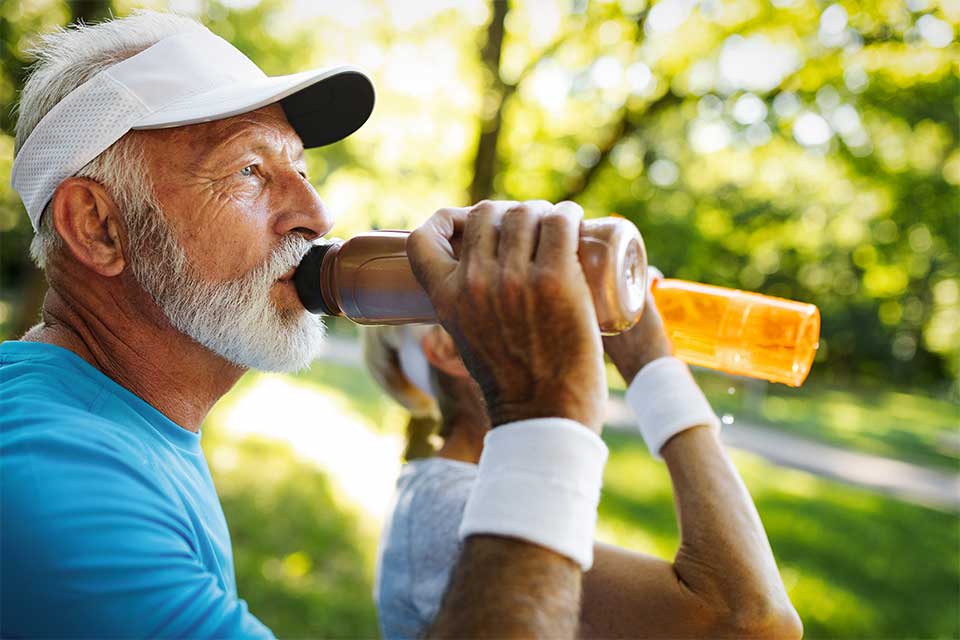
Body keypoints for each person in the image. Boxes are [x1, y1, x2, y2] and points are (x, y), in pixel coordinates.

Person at [3, 10, 654, 639]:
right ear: (97, 226)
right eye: (249, 170)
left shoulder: (107, 423)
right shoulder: (57, 491)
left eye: (303, 169)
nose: (317, 213)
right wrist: (546, 416)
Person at [366, 280, 803, 639]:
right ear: (446, 348)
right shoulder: (451, 511)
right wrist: (653, 368)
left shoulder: (463, 491)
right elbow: (751, 620)